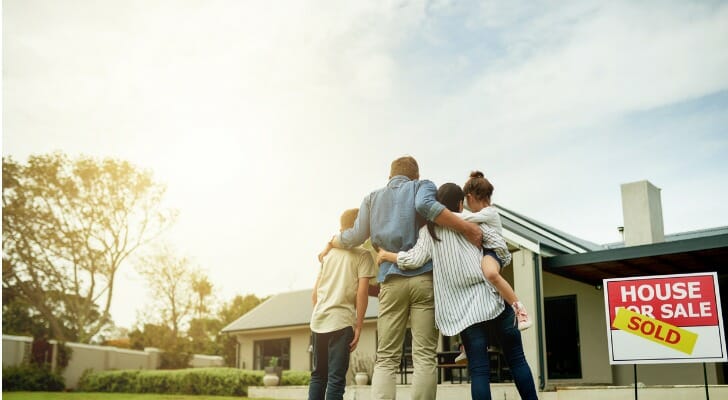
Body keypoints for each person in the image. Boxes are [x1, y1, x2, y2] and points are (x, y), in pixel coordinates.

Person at [318, 156, 482, 400]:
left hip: (391, 282)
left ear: (389, 177)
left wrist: (333, 241)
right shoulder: (422, 186)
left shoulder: (372, 198)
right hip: (424, 279)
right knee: (425, 355)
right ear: (415, 175)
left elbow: (354, 236)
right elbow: (427, 207)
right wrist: (466, 227)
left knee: (386, 357)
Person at [377, 182, 538, 400]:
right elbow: (499, 248)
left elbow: (414, 260)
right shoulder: (471, 222)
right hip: (491, 299)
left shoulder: (428, 231)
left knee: (479, 370)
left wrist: (388, 256)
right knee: (517, 359)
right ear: (460, 204)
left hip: (464, 313)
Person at [309, 208, 378, 400]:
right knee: (336, 379)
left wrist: (318, 315)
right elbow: (361, 292)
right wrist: (358, 326)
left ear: (341, 228)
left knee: (317, 376)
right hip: (341, 322)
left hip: (319, 321)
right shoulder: (363, 255)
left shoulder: (328, 255)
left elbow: (315, 295)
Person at [463, 171, 531, 332]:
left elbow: (464, 219)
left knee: (491, 274)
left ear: (470, 197)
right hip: (486, 252)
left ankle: (521, 311)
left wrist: (441, 213)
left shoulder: (490, 212)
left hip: (495, 252)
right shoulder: (481, 213)